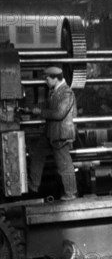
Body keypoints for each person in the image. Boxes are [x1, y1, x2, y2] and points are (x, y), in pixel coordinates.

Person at [27, 66, 78, 201]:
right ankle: (33, 185)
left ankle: (71, 192)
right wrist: (31, 108)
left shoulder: (67, 93)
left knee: (64, 165)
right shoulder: (55, 91)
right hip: (51, 133)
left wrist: (41, 113)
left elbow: (59, 113)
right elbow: (47, 104)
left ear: (56, 78)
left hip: (61, 134)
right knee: (37, 155)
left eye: (47, 79)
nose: (46, 81)